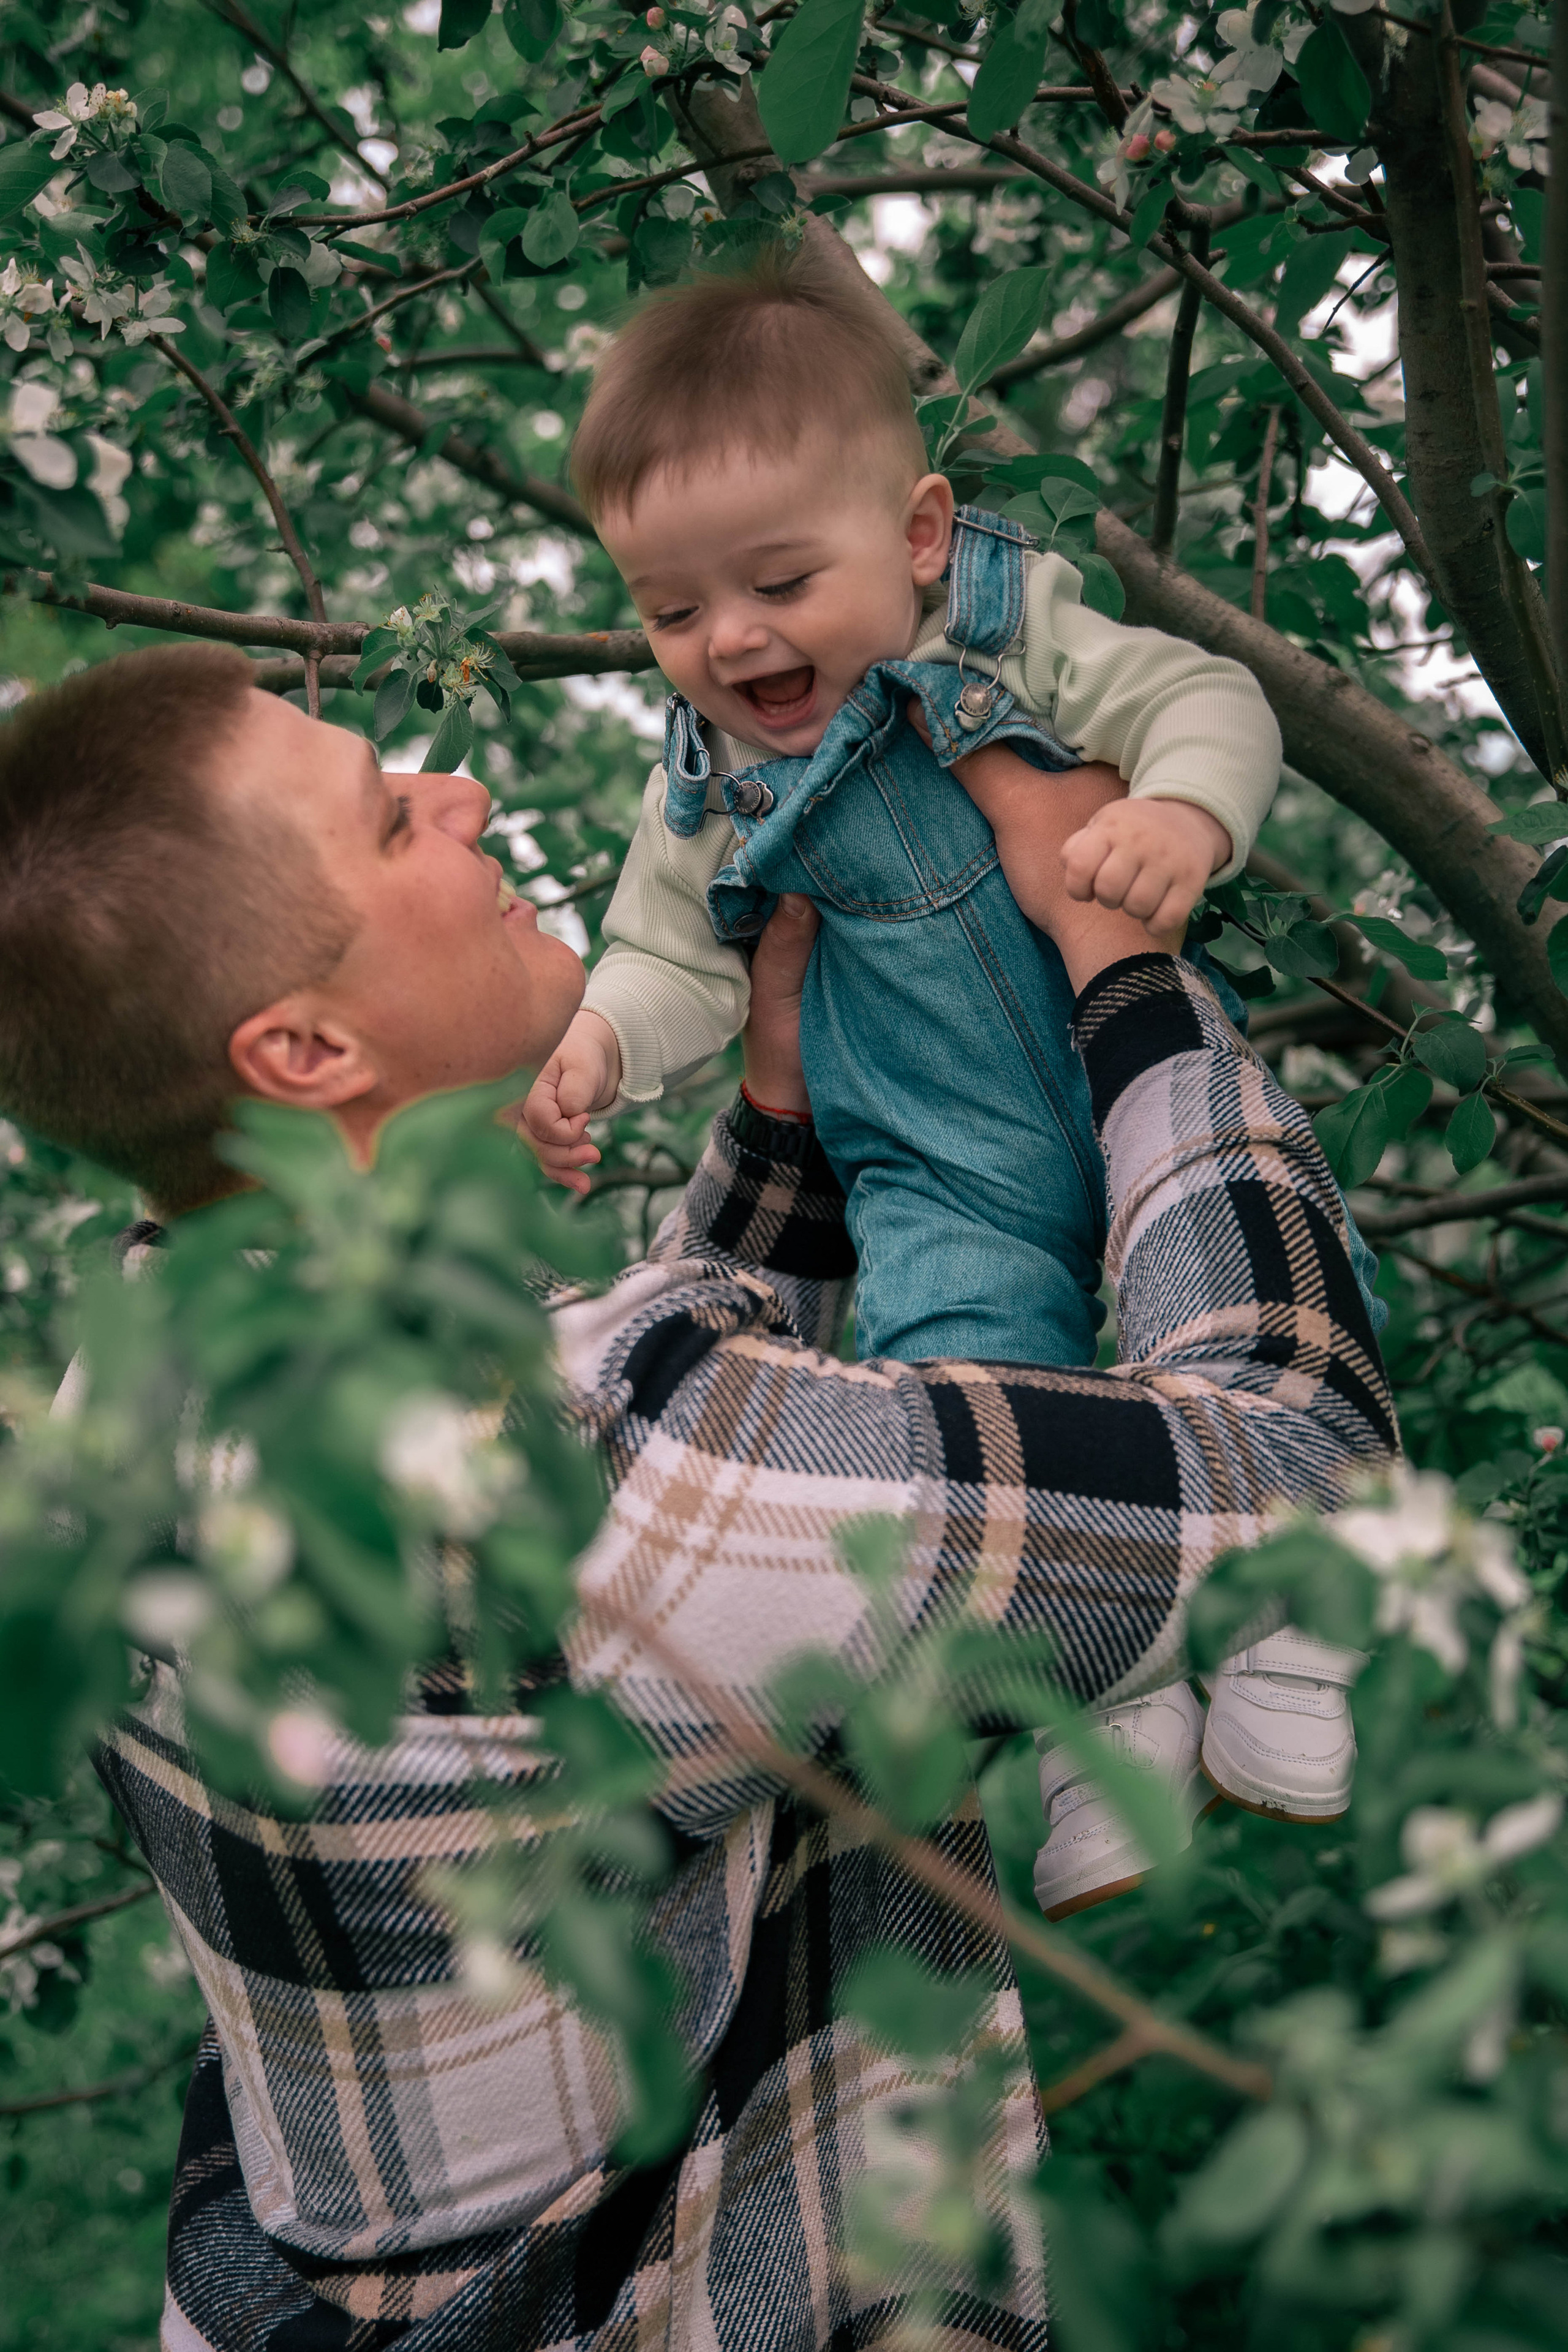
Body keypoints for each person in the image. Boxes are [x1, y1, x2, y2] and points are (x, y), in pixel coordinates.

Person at [0, 647, 1392, 2350]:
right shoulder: (588, 1452)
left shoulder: (133, 1396)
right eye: (388, 820)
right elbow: (1301, 1465)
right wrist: (1133, 988)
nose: (466, 797)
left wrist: (780, 1127)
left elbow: (644, 1611)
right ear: (304, 1045)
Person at [519, 247, 1380, 1919]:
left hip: (1109, 1062)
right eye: (673, 611)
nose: (733, 641)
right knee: (995, 1440)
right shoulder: (704, 782)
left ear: (918, 538)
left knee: (1273, 1307)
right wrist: (604, 1043)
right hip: (928, 1162)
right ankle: (1094, 1743)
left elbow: (1199, 695)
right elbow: (673, 952)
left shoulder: (1012, 624)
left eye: (776, 581)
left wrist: (1186, 817)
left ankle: (1300, 1645)